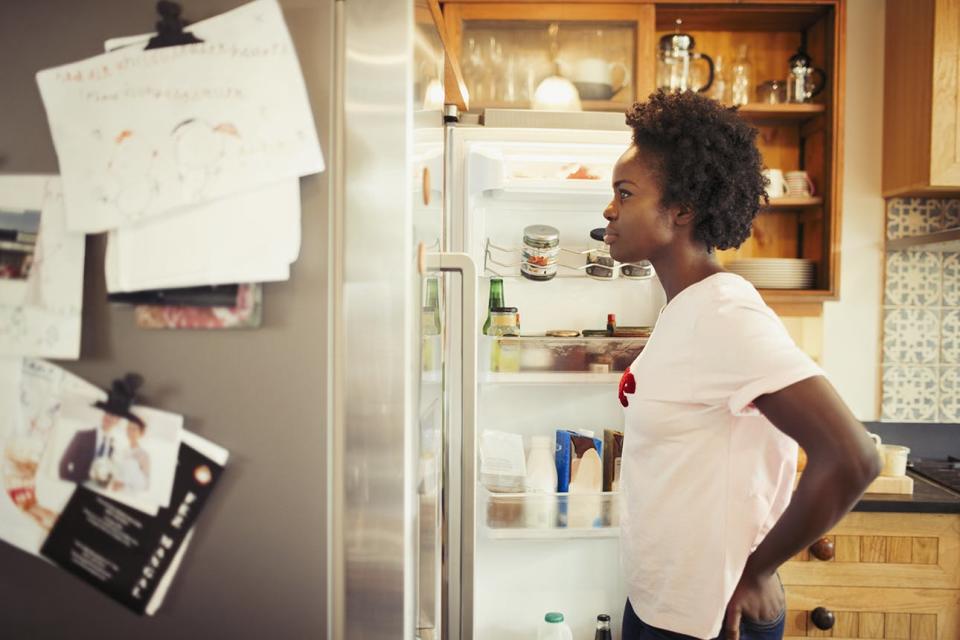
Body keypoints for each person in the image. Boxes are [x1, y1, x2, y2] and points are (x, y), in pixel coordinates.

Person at [606, 91, 881, 640]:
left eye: (625, 194)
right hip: (664, 603)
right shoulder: (686, 308)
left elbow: (853, 456)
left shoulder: (724, 313)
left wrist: (757, 570)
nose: (610, 210)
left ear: (681, 210)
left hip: (711, 618)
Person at [58, 411, 122, 484]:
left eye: (114, 416)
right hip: (77, 485)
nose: (109, 418)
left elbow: (107, 471)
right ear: (104, 415)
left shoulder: (112, 445)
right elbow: (63, 464)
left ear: (118, 421)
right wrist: (69, 484)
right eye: (108, 414)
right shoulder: (82, 435)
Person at [110, 418, 150, 493]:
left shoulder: (144, 455)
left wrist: (124, 485)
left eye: (134, 429)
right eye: (129, 428)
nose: (131, 431)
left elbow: (146, 484)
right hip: (115, 491)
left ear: (141, 433)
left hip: (130, 494)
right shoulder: (122, 450)